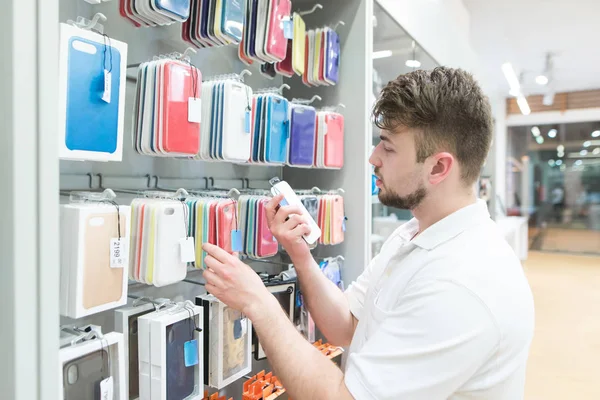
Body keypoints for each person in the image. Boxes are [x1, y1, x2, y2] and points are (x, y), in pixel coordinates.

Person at [201, 67, 535, 399]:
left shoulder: (461, 283)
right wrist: (301, 255)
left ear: (438, 167)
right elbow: (345, 323)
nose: (373, 157)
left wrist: (258, 302)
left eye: (388, 148)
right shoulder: (415, 234)